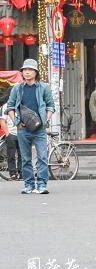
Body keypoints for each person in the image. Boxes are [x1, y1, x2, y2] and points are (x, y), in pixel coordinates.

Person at [4, 58, 54, 194]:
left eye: (30, 70)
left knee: (42, 157)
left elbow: (50, 106)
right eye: (24, 70)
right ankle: (29, 185)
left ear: (35, 72)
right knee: (25, 158)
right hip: (23, 128)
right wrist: (16, 122)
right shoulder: (17, 88)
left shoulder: (43, 88)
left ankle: (42, 185)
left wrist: (45, 120)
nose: (26, 72)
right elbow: (10, 107)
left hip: (40, 128)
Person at [1, 100, 21, 180]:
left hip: (21, 133)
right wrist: (7, 134)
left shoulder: (21, 104)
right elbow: (2, 121)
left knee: (22, 155)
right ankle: (13, 173)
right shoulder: (5, 106)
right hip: (11, 133)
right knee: (11, 155)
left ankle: (21, 173)